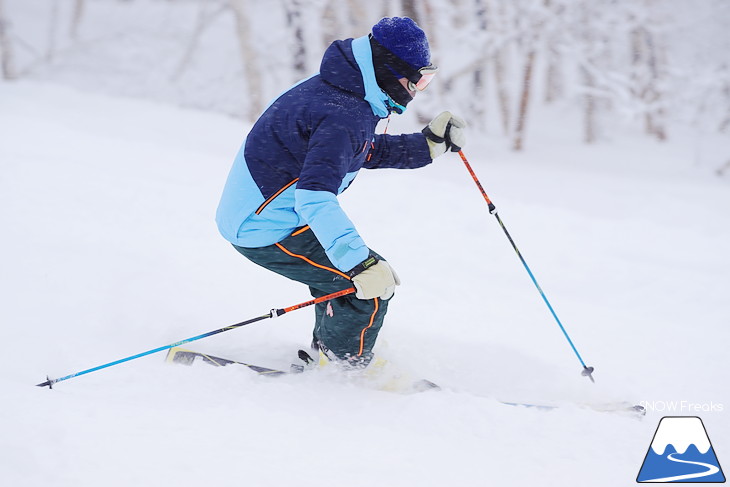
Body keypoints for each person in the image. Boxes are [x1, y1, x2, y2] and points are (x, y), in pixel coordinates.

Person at [216, 17, 466, 368]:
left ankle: (330, 356)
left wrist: (426, 147)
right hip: (264, 226)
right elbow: (314, 196)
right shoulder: (343, 113)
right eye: (418, 80)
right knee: (368, 286)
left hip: (265, 214)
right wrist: (359, 263)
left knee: (343, 280)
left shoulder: (342, 91)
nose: (417, 89)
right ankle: (343, 370)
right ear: (388, 72)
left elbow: (354, 150)